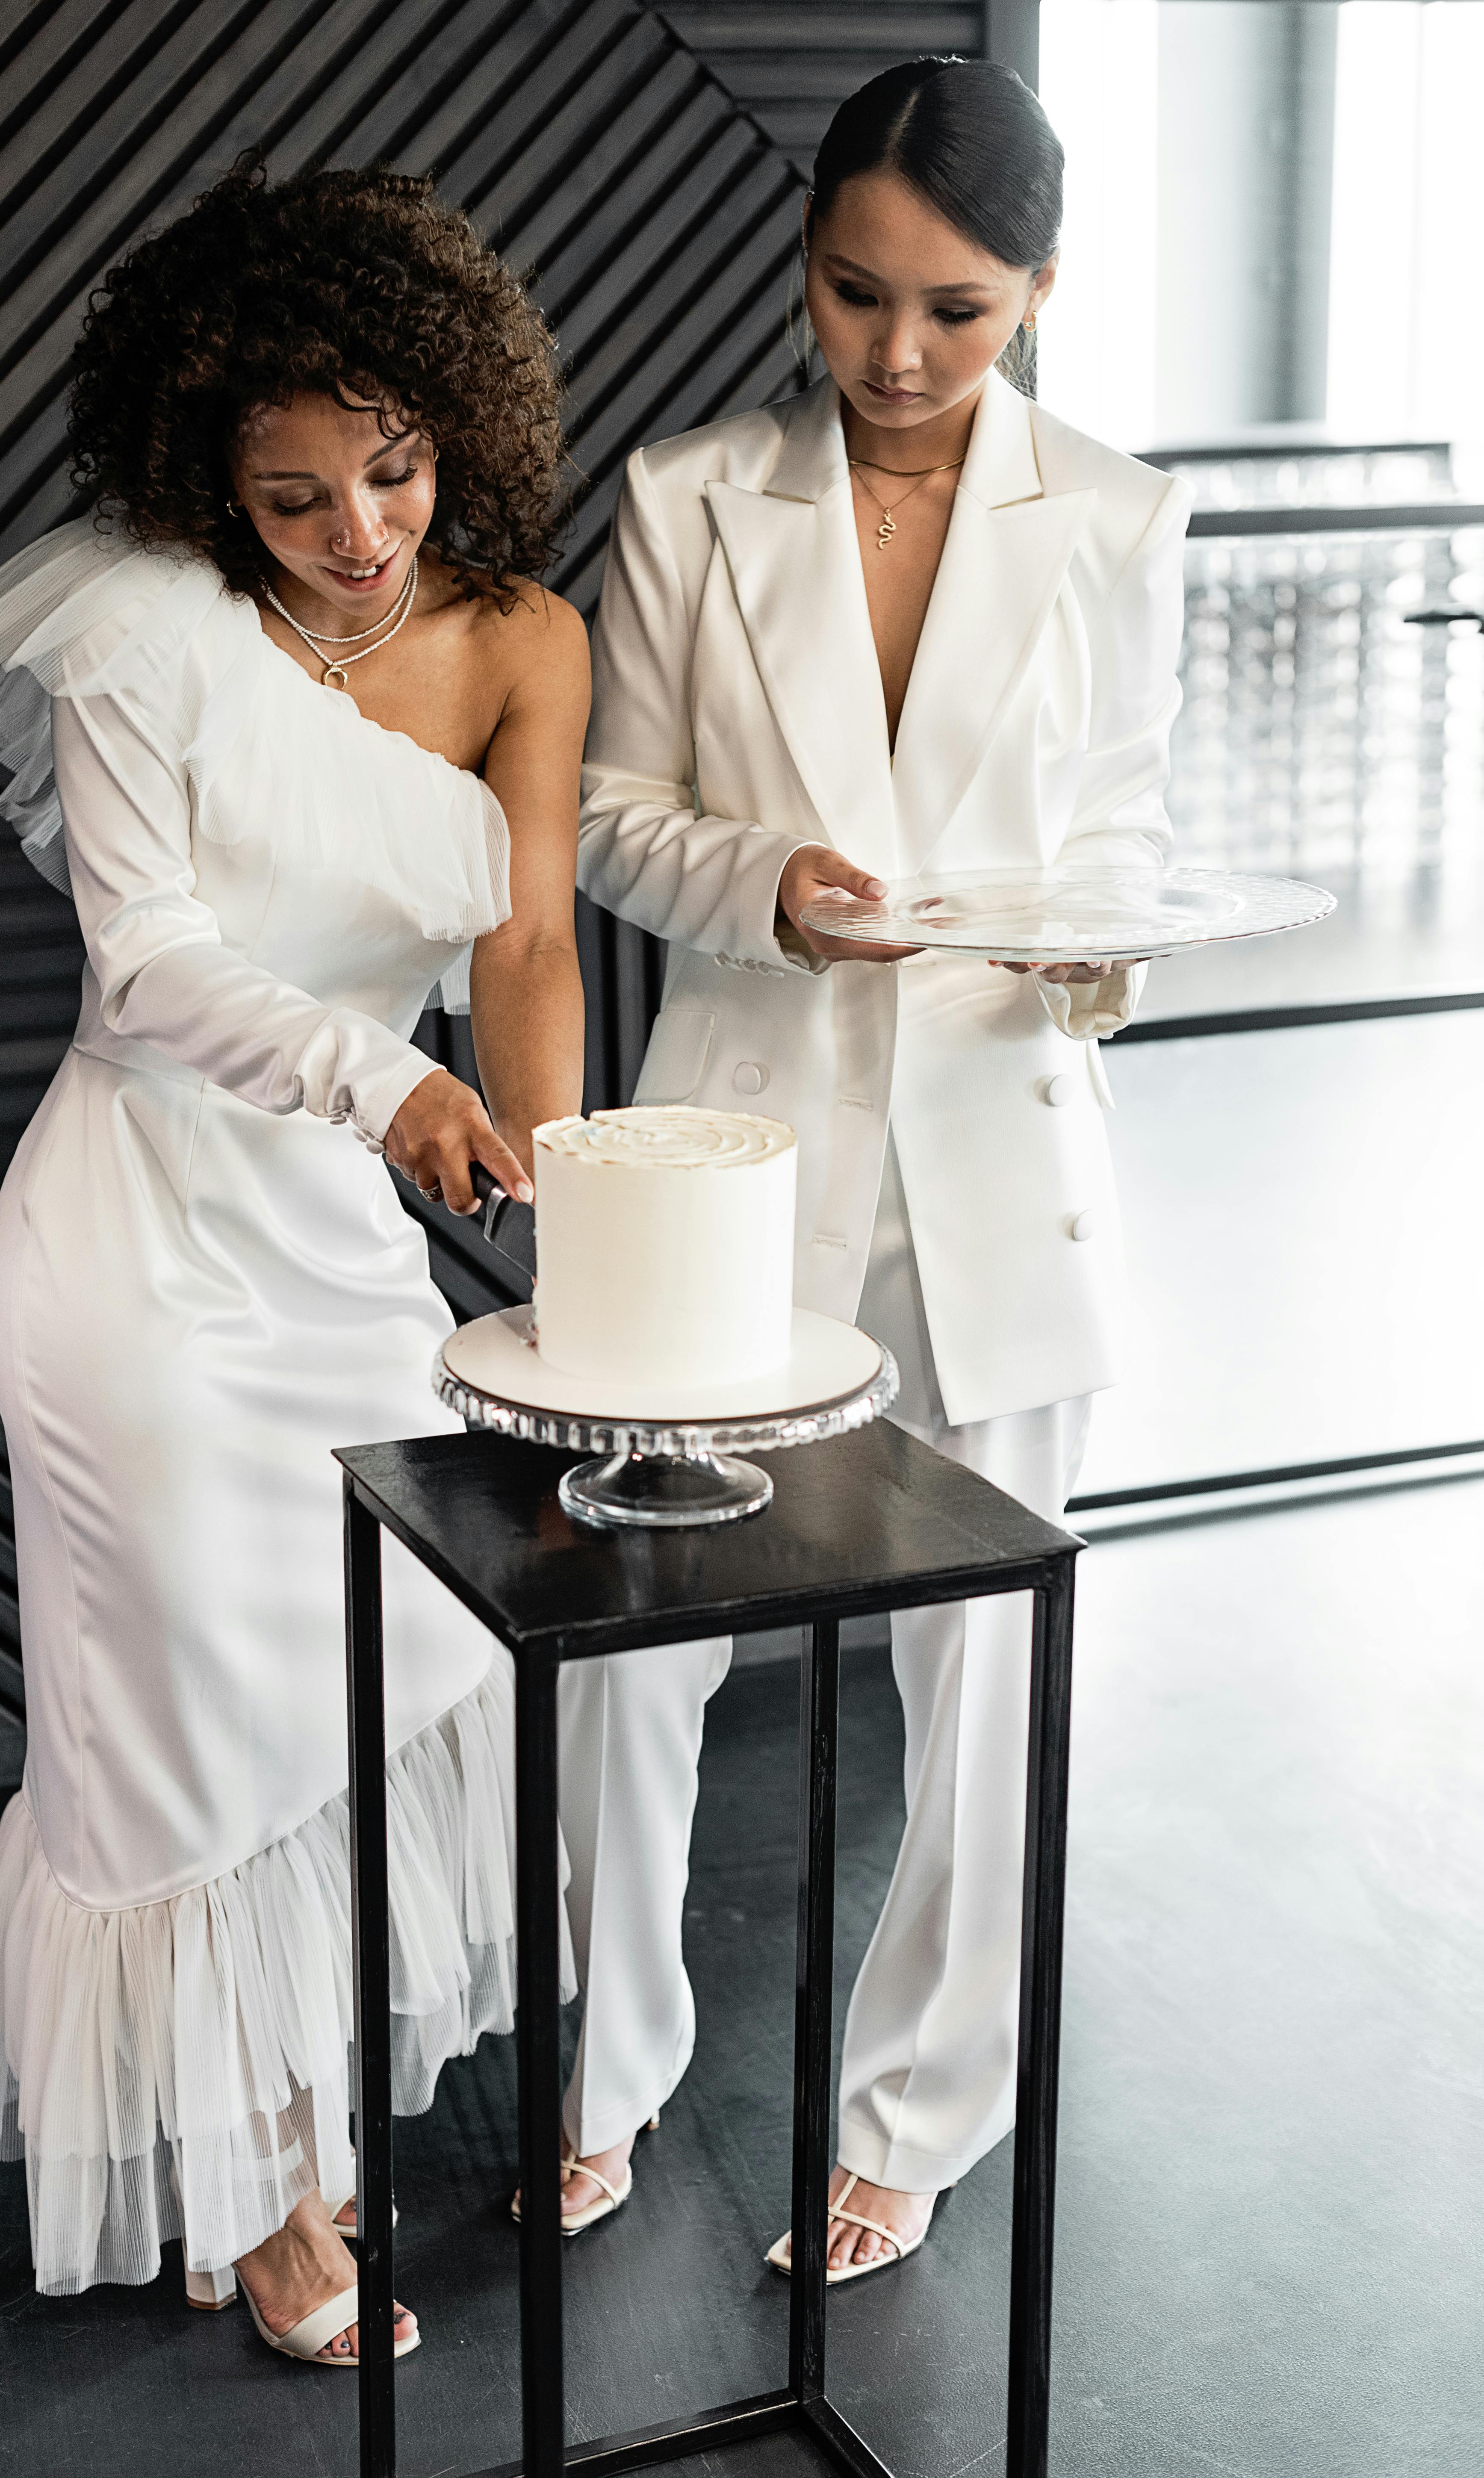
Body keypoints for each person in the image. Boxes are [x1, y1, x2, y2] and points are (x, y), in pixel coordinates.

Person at [0, 162, 589, 2361]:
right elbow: (145, 971)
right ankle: (269, 2195)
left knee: (369, 1677)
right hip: (137, 1244)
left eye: (392, 472)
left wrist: (563, 1194)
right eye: (295, 493)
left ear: (455, 430)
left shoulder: (521, 643)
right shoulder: (143, 632)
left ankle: (294, 2140)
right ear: (207, 471)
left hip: (331, 1256)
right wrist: (374, 1082)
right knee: (186, 1730)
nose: (357, 534)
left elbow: (519, 950)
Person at [559, 56, 1189, 2277]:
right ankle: (604, 2064)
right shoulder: (686, 496)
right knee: (633, 1645)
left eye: (959, 314)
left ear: (1036, 293)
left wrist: (1101, 946)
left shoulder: (1120, 519)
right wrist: (770, 879)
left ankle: (922, 2110)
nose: (899, 359)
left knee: (989, 1669)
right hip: (742, 1147)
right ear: (806, 254)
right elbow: (614, 823)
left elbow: (1119, 842)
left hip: (1007, 1157)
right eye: (854, 296)